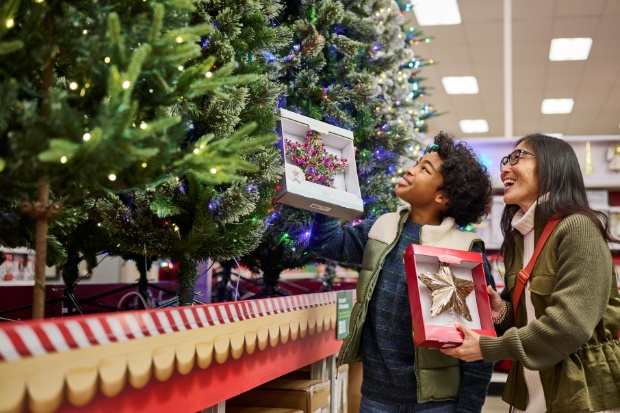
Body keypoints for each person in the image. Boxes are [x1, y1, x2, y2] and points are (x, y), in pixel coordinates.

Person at [309, 131, 496, 412]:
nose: (410, 170)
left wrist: (468, 408)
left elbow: (480, 344)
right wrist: (332, 183)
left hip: (436, 404)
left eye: (424, 169)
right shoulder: (382, 228)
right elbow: (325, 242)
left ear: (443, 196)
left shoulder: (464, 250)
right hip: (376, 398)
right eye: (416, 163)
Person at [441, 134, 620, 413]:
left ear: (552, 167)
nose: (504, 170)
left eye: (518, 157)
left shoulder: (578, 228)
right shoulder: (521, 236)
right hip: (531, 392)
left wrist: (490, 348)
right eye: (505, 160)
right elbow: (529, 317)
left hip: (578, 394)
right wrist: (502, 311)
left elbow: (569, 326)